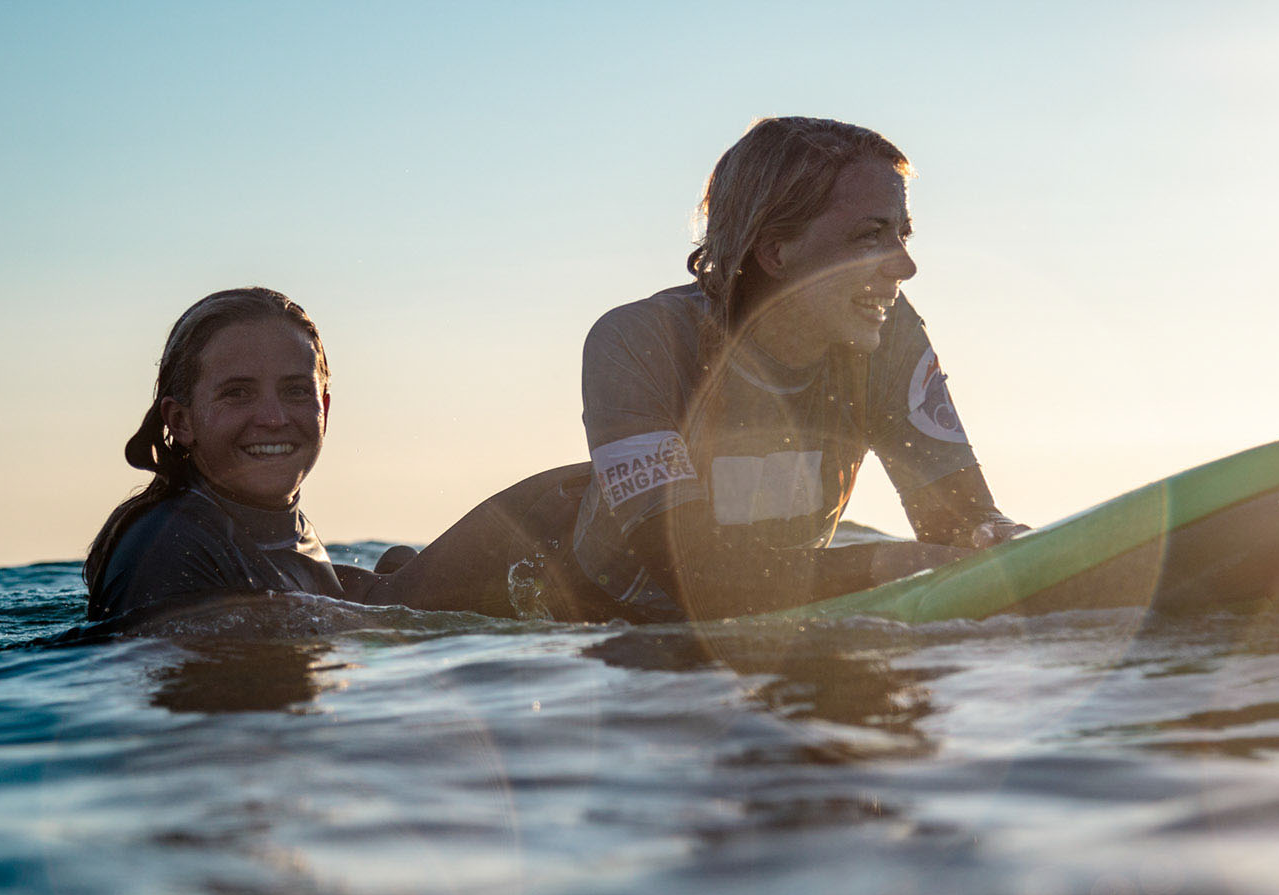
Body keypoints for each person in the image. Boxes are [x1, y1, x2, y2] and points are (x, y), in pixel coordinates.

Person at [380, 117, 1026, 622]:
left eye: (904, 234)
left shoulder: (886, 335)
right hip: (530, 574)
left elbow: (957, 523)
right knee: (360, 612)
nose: (903, 266)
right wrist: (893, 563)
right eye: (870, 236)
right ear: (777, 249)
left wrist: (999, 541)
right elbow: (698, 582)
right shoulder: (637, 341)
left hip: (744, 599)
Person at [84, 287, 387, 621]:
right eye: (238, 393)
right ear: (182, 421)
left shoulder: (287, 530)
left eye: (296, 391)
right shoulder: (168, 551)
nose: (274, 418)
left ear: (324, 411)